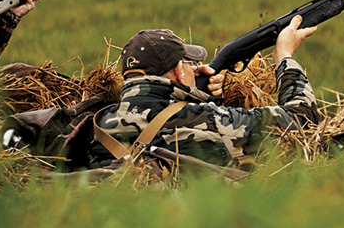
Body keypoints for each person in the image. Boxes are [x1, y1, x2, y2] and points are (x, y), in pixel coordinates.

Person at [91, 16, 320, 167]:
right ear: (180, 70)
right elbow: (302, 121)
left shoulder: (99, 122)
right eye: (190, 63)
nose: (196, 67)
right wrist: (285, 57)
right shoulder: (207, 119)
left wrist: (209, 97)